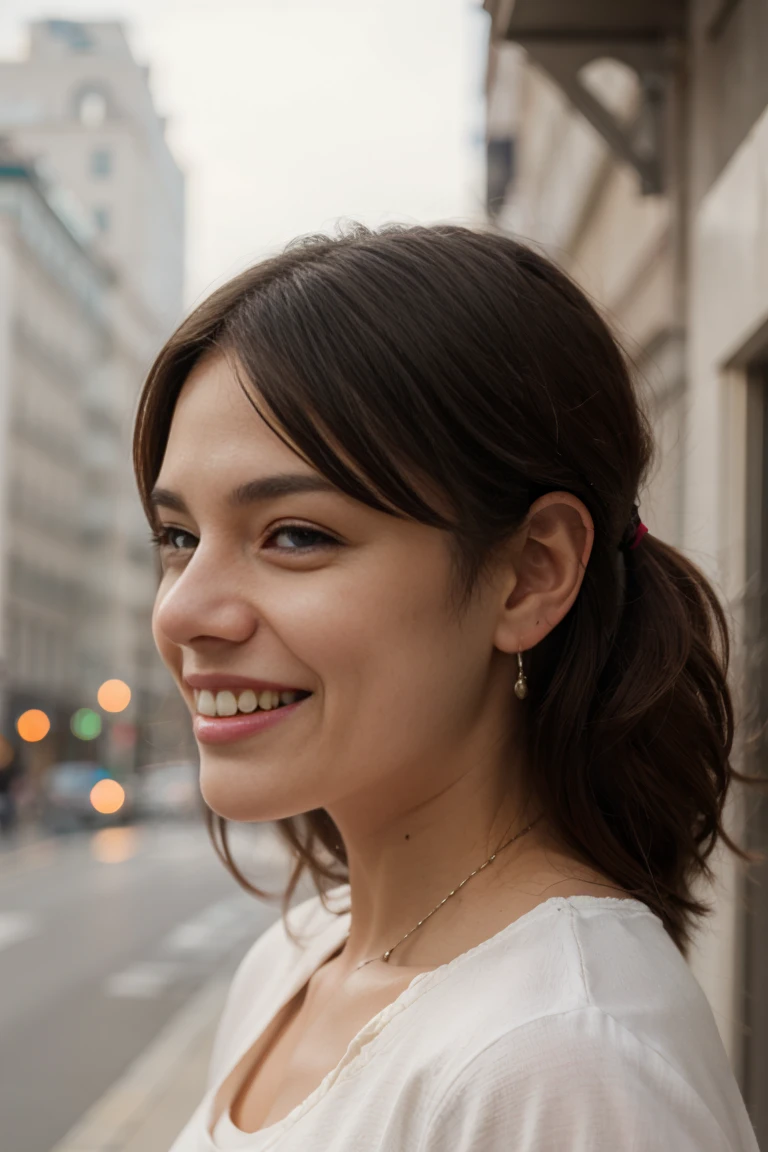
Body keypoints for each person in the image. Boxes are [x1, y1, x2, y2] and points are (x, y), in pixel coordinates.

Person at [133, 224, 760, 1150]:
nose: (186, 612)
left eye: (296, 535)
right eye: (180, 539)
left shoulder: (562, 1060)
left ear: (529, 575)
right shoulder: (300, 956)